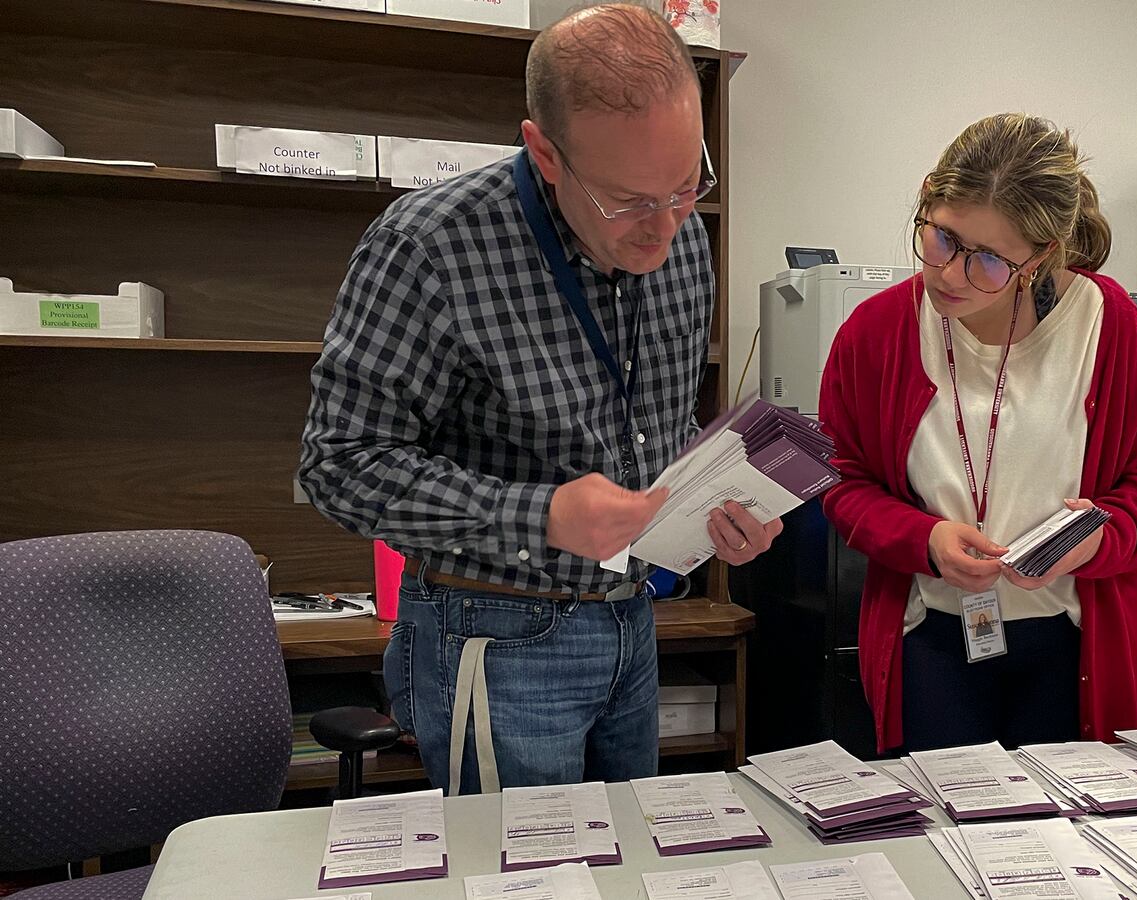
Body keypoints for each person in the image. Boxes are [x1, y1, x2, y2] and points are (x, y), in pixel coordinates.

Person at [298, 4, 779, 792]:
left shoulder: (684, 240)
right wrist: (542, 516)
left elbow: (653, 429)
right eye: (628, 201)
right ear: (545, 153)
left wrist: (716, 509)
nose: (663, 229)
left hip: (633, 617)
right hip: (495, 630)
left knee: (632, 851)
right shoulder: (431, 246)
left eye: (687, 187)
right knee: (519, 858)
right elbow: (340, 464)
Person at [818, 114, 1137, 753]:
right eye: (942, 238)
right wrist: (924, 539)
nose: (950, 275)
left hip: (1073, 643)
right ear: (928, 198)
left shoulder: (1109, 327)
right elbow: (840, 480)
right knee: (940, 814)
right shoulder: (877, 332)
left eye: (989, 260)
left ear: (1040, 255)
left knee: (1071, 815)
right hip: (930, 639)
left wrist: (1100, 539)